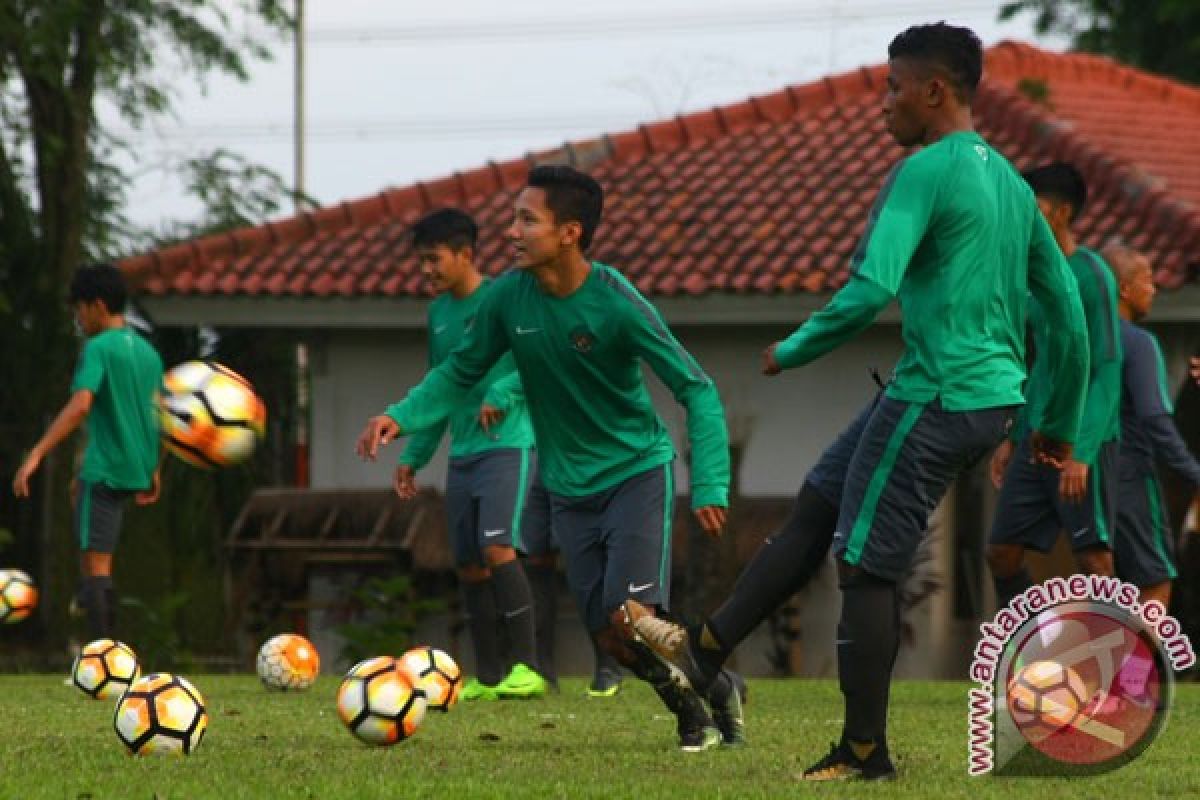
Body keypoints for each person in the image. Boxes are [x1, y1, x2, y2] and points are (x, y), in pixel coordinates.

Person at [625, 22, 1089, 780]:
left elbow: (871, 287)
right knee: (820, 500)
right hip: (986, 403)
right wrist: (1058, 423)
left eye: (892, 87)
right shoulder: (1009, 181)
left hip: (933, 398)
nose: (883, 104)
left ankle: (865, 753)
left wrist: (794, 348)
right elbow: (1065, 316)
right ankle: (704, 651)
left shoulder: (926, 170)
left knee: (867, 566)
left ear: (934, 91)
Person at [357, 165, 735, 751]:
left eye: (526, 219)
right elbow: (459, 371)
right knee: (612, 641)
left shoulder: (615, 303)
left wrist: (709, 481)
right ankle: (714, 688)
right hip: (567, 487)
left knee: (632, 616)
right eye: (513, 217)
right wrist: (400, 416)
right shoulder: (509, 298)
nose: (510, 231)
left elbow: (696, 387)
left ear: (570, 233)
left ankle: (694, 721)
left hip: (636, 472)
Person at [394, 208, 547, 700]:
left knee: (498, 548)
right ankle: (488, 677)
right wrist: (415, 454)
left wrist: (502, 392)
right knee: (469, 565)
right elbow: (440, 389)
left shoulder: (502, 301)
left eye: (434, 259)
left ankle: (528, 669)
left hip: (509, 447)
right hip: (462, 453)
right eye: (421, 262)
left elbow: (541, 362)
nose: (427, 271)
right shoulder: (437, 314)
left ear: (465, 254)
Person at [985, 163, 1123, 607]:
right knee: (1001, 553)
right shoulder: (1033, 279)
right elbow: (1037, 366)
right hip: (1034, 438)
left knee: (1095, 563)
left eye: (1034, 207)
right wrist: (1012, 436)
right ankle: (1038, 654)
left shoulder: (1092, 275)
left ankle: (1133, 670)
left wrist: (1082, 452)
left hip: (1079, 444)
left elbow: (1107, 368)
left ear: (1062, 213)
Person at [12, 263, 164, 640]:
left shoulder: (97, 348)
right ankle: (94, 622)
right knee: (90, 544)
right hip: (136, 468)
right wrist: (155, 468)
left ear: (97, 305)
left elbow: (81, 404)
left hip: (105, 469)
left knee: (96, 567)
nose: (78, 318)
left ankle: (102, 660)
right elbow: (158, 413)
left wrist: (37, 453)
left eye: (79, 308)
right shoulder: (147, 352)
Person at [1104, 243, 1200, 608]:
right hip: (1133, 475)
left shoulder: (1078, 338)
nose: (1155, 290)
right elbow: (1157, 421)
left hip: (1090, 477)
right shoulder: (1139, 343)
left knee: (1106, 578)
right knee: (1155, 582)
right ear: (1125, 289)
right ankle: (1135, 668)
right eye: (1148, 281)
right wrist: (1193, 472)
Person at [520, 475, 624, 696]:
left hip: (580, 467)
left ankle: (607, 665)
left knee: (588, 555)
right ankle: (543, 668)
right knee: (535, 554)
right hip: (542, 462)